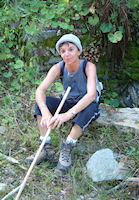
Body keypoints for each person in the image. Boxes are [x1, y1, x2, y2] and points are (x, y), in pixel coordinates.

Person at [25, 33, 100, 172]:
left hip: (86, 103)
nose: (67, 54)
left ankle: (68, 146)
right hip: (69, 101)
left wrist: (68, 115)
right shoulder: (58, 67)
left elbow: (91, 95)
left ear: (79, 51)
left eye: (71, 49)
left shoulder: (88, 67)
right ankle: (45, 147)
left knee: (89, 108)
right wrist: (46, 113)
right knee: (42, 102)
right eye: (63, 51)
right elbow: (39, 91)